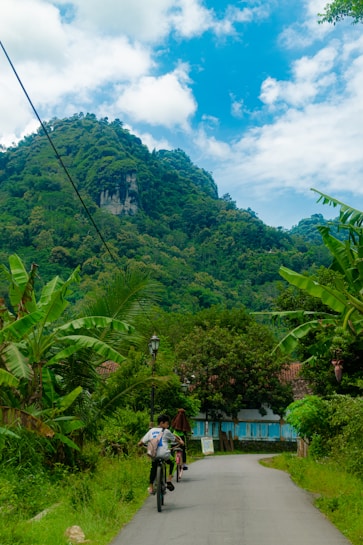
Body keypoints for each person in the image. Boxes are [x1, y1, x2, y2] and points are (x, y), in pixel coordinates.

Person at [138, 413, 184, 495]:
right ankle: (169, 480)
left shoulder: (151, 431)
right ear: (162, 423)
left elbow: (142, 442)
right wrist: (181, 442)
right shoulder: (166, 431)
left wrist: (140, 444)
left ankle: (151, 487)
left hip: (154, 454)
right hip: (164, 454)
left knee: (153, 467)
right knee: (172, 462)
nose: (168, 425)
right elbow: (175, 439)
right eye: (167, 423)